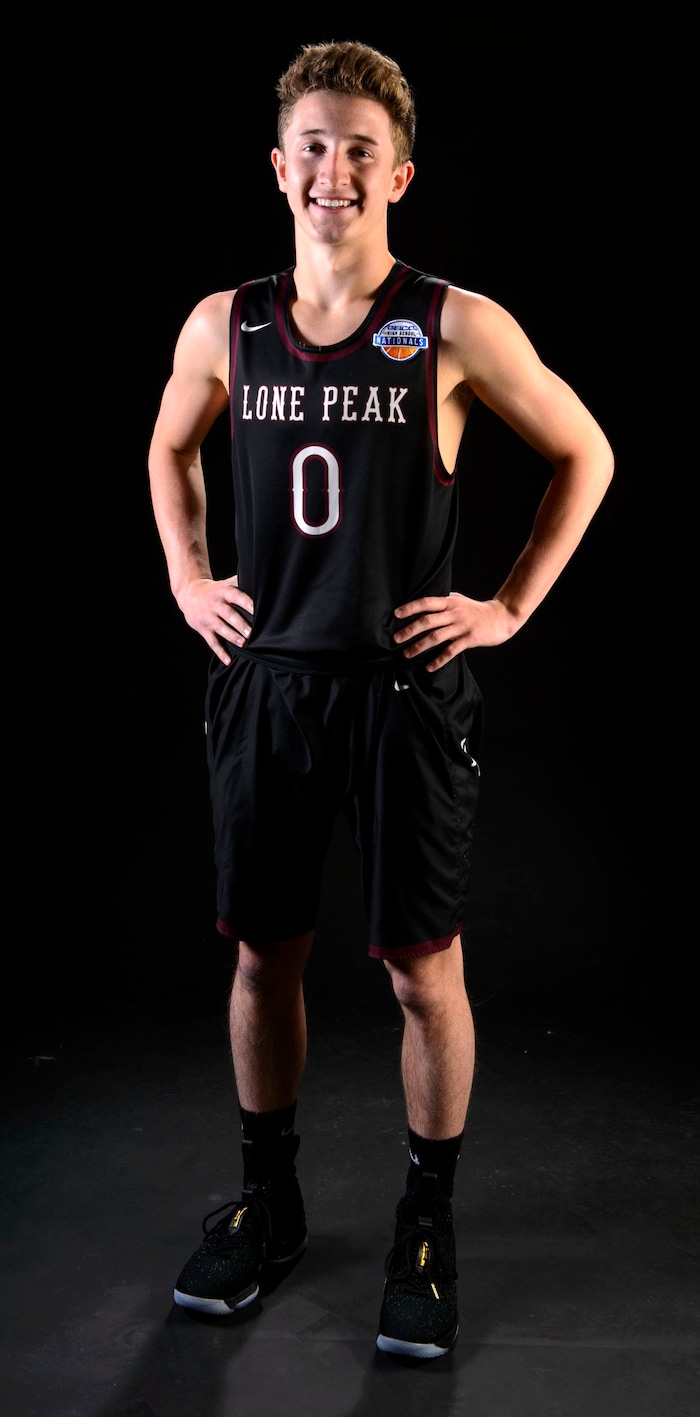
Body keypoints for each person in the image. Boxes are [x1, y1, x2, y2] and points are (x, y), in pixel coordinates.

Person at [147, 39, 614, 1360]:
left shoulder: (451, 323)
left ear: (398, 173)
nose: (334, 170)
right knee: (265, 955)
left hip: (404, 692)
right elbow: (168, 446)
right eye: (314, 146)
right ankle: (271, 1200)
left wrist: (507, 605)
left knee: (422, 972)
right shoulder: (223, 324)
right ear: (278, 166)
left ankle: (425, 1221)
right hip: (270, 685)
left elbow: (585, 451)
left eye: (362, 149)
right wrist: (188, 576)